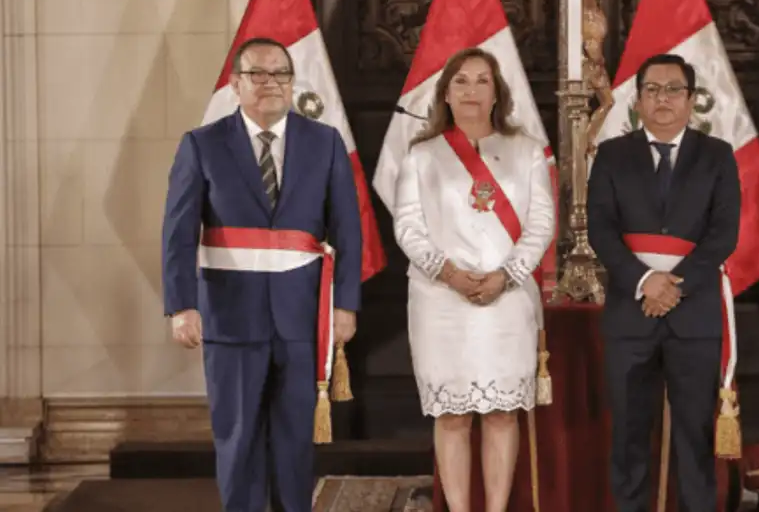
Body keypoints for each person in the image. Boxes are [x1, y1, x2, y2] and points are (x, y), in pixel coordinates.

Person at [161, 36, 362, 512]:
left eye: (281, 74)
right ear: (235, 84)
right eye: (258, 74)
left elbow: (349, 231)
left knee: (295, 442)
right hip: (230, 319)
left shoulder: (325, 142)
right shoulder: (202, 145)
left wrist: (346, 305)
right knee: (238, 440)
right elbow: (178, 233)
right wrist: (181, 305)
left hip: (301, 317)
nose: (271, 82)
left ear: (293, 84)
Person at [392, 48, 555, 512]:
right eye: (461, 81)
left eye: (482, 81)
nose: (471, 90)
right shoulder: (423, 156)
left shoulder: (525, 151)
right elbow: (407, 227)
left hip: (506, 301)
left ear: (497, 92)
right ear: (446, 91)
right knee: (452, 416)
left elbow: (542, 224)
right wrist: (449, 273)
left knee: (503, 413)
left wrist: (507, 274)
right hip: (441, 300)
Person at [587, 53, 741, 512]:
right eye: (652, 90)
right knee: (630, 436)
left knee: (695, 437)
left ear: (692, 100)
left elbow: (723, 235)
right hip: (629, 317)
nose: (663, 99)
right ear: (637, 100)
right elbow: (600, 229)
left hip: (693, 318)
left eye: (674, 89)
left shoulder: (717, 156)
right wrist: (644, 282)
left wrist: (673, 287)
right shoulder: (613, 154)